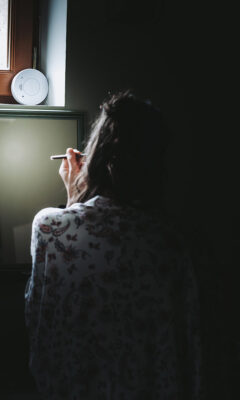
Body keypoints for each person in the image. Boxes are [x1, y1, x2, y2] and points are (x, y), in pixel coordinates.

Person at [25, 91, 201, 399]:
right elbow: (189, 350)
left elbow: (43, 328)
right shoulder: (173, 239)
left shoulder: (51, 226)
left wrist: (74, 199)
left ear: (98, 155)